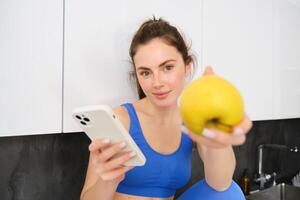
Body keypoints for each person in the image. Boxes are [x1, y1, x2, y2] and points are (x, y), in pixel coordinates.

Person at [80, 17, 252, 200]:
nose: (157, 83)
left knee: (229, 192)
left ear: (187, 67)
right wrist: (108, 180)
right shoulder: (121, 119)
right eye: (146, 72)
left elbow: (221, 183)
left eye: (167, 68)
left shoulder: (191, 120)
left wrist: (219, 138)